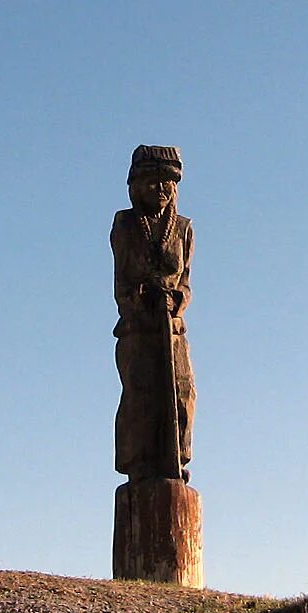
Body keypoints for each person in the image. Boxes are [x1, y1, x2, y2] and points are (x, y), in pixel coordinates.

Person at [111, 145, 195, 481]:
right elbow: (121, 280)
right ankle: (139, 461)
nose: (159, 189)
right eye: (151, 182)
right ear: (135, 186)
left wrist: (176, 303)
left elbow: (185, 282)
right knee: (141, 392)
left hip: (172, 328)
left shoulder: (184, 228)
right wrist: (139, 300)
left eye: (166, 183)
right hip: (138, 327)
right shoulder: (126, 223)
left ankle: (178, 458)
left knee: (182, 391)